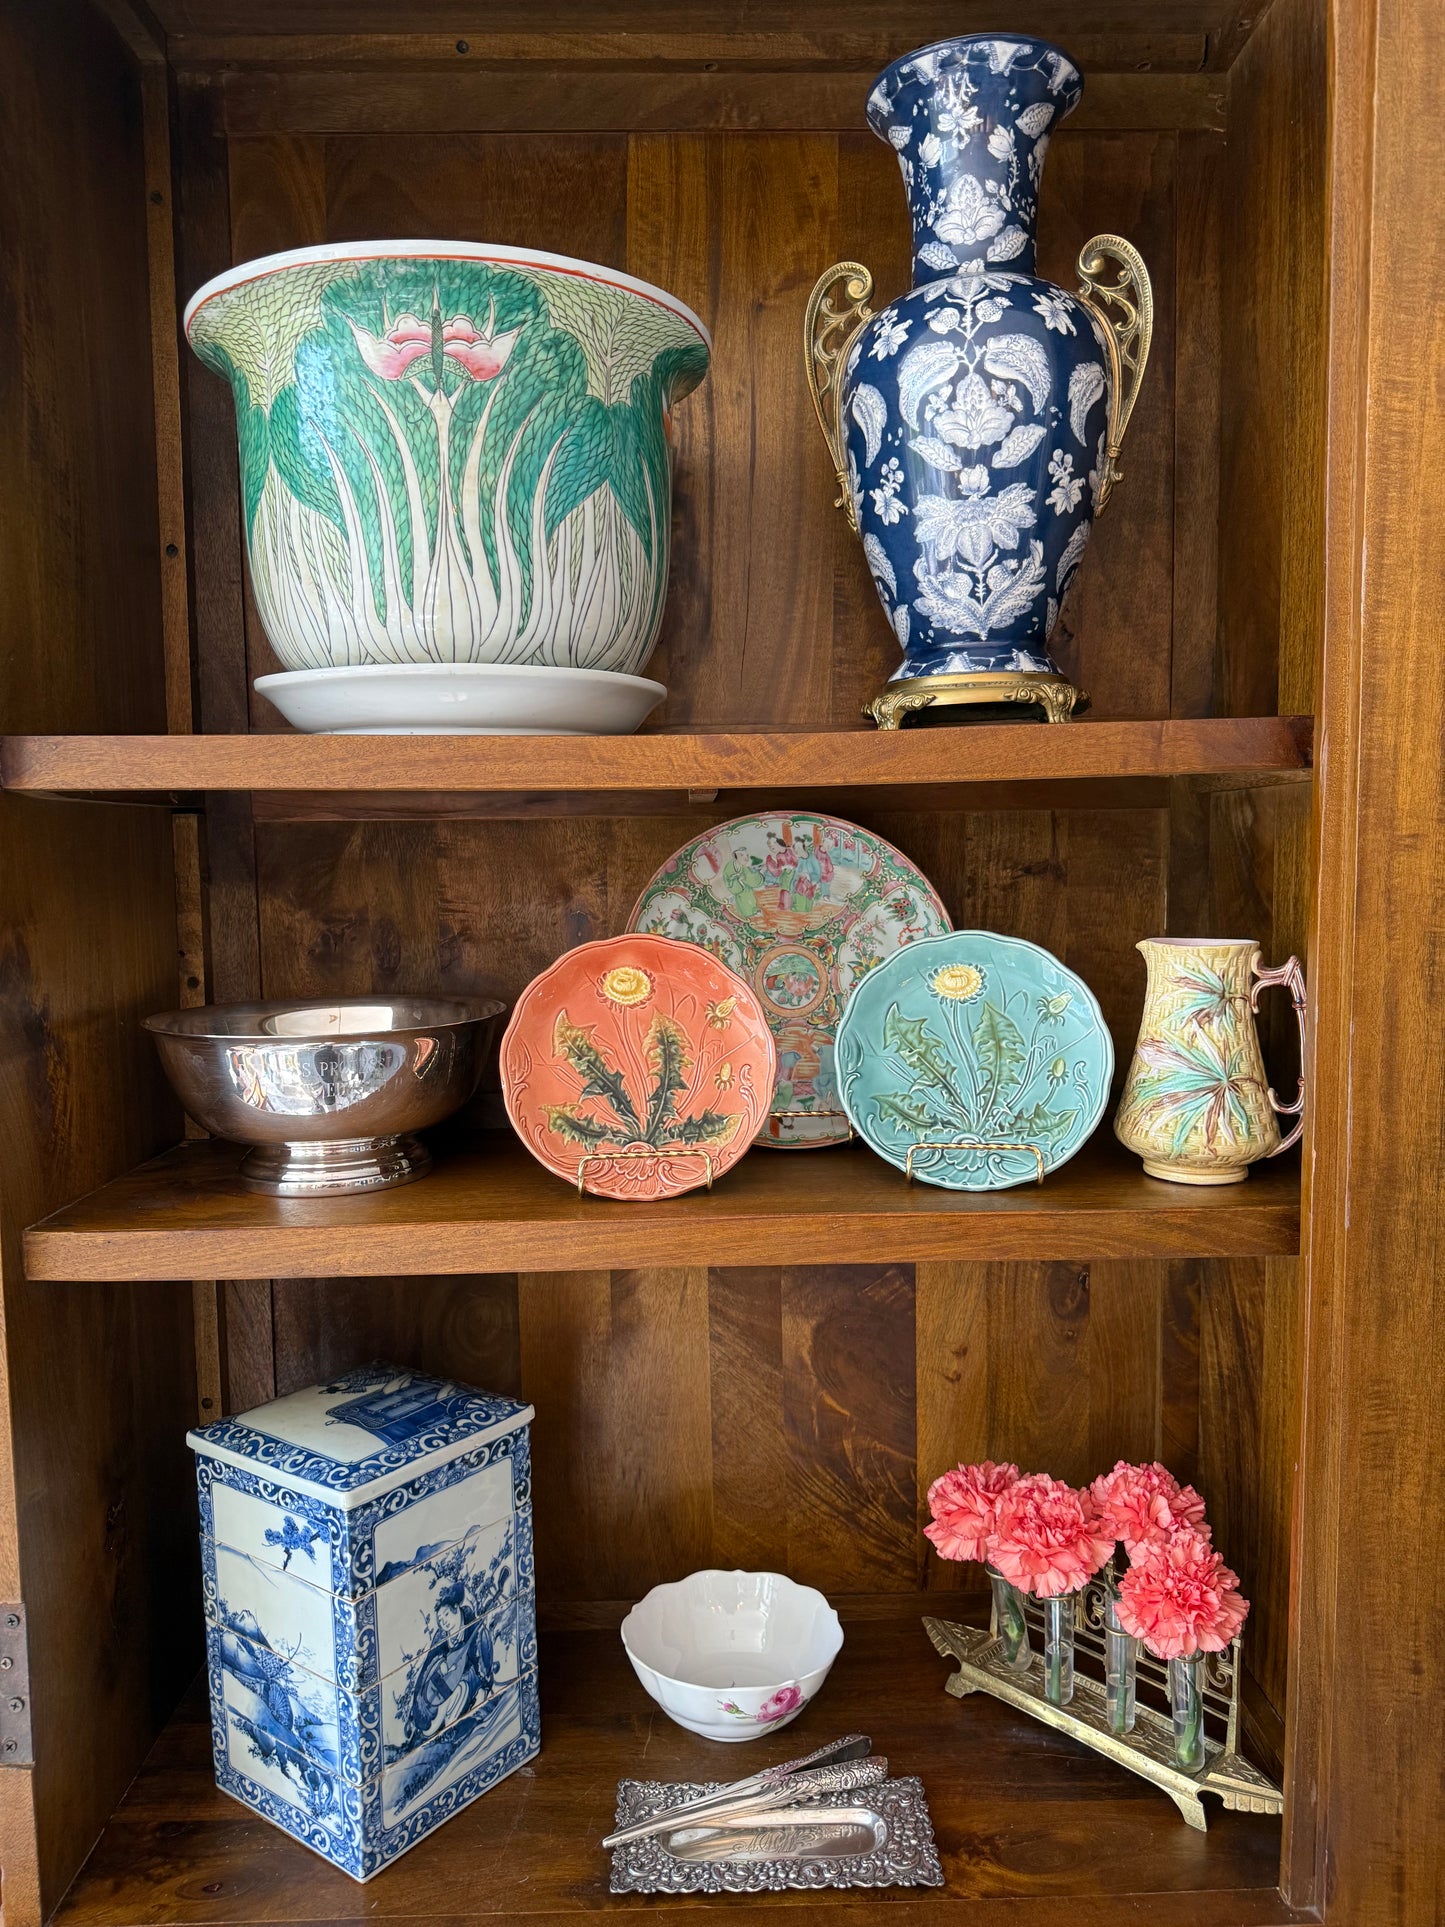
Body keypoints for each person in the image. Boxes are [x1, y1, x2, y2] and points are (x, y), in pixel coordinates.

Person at [401, 1583, 496, 1747]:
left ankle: (452, 1728)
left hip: (471, 1679)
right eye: (440, 1619)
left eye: (446, 1614)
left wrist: (484, 1688)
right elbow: (427, 1668)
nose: (443, 1621)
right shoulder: (441, 1636)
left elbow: (483, 1662)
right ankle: (433, 1729)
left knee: (461, 1689)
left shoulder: (474, 1627)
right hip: (446, 1682)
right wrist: (414, 1712)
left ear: (456, 1607)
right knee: (434, 1704)